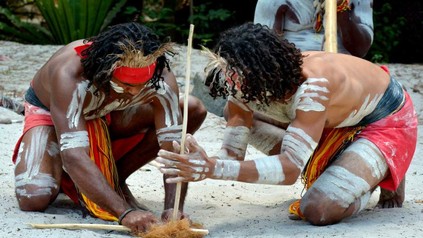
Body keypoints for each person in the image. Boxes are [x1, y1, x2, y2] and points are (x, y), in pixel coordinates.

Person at [155, 23, 417, 225]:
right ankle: (346, 166)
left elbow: (290, 170)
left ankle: (379, 170)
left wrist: (211, 168)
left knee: (317, 209)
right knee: (241, 113)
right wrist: (199, 161)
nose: (231, 85)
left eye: (237, 77)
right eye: (228, 75)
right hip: (332, 121)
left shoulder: (314, 86)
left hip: (384, 119)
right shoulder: (241, 85)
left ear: (261, 73)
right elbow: (232, 156)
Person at [12, 22, 207, 233]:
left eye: (142, 85)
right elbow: (74, 155)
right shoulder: (70, 73)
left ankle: (114, 178)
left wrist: (173, 208)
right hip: (53, 112)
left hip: (108, 111)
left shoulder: (160, 75)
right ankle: (65, 171)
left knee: (191, 109)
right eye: (127, 85)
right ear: (108, 70)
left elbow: (173, 148)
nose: (135, 93)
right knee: (34, 196)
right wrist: (124, 213)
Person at [254, 0, 374, 57]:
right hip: (293, 74)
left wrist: (341, 8)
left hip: (344, 74)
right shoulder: (273, 1)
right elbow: (265, 55)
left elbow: (360, 50)